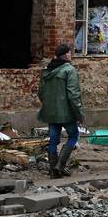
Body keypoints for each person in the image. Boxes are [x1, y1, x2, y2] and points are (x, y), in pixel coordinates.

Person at [38, 43, 83, 177]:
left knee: (53, 140)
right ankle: (60, 165)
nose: (71, 55)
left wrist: (49, 105)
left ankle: (53, 170)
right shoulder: (69, 70)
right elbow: (73, 94)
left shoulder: (47, 70)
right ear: (65, 55)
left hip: (50, 112)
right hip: (66, 112)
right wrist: (79, 113)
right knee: (73, 135)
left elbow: (40, 93)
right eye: (69, 52)